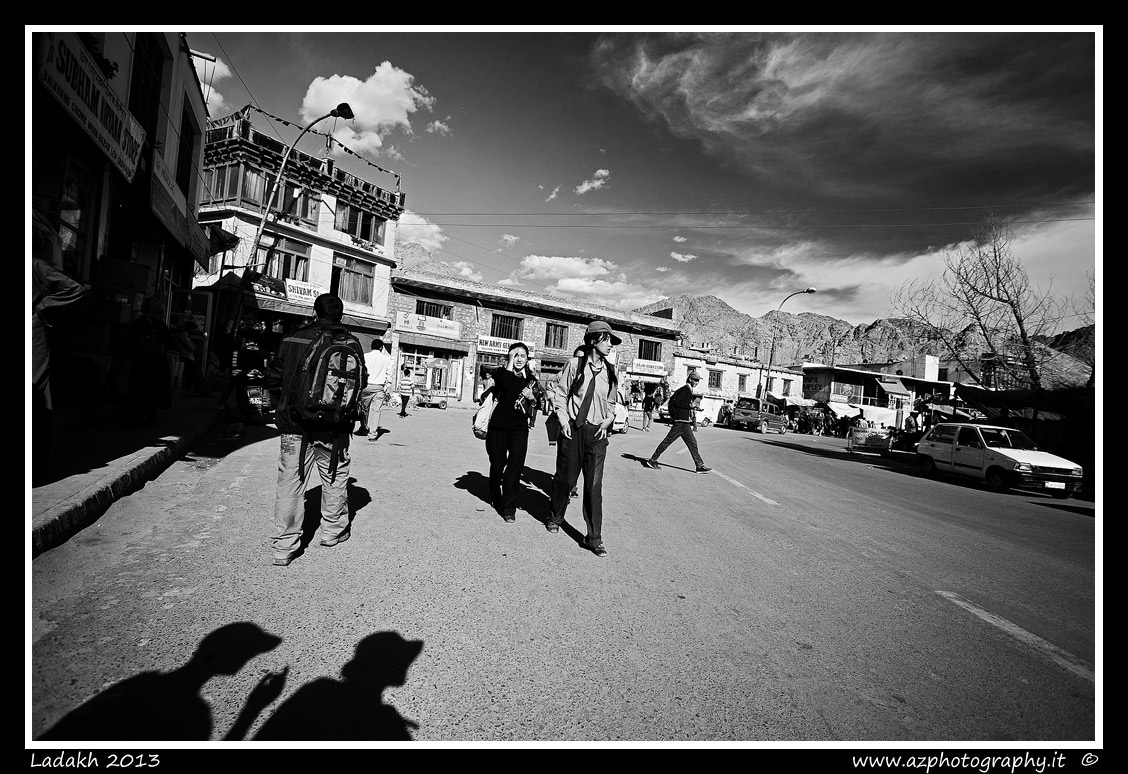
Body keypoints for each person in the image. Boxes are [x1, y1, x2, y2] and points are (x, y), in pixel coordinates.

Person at [265, 294, 367, 567]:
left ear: (314, 311)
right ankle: (332, 532)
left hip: (295, 424)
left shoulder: (292, 338)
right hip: (335, 427)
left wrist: (281, 406)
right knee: (334, 477)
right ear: (341, 316)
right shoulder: (351, 343)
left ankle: (283, 548)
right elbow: (361, 383)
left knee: (290, 482)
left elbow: (273, 378)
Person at [545, 321, 621, 556]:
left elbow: (610, 401)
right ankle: (556, 516)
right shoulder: (575, 365)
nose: (610, 345)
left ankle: (594, 537)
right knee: (566, 479)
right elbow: (560, 394)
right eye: (607, 340)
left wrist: (609, 419)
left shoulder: (610, 371)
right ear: (593, 340)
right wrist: (564, 420)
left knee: (594, 486)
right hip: (574, 430)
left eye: (611, 341)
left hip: (597, 434)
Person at [32, 216, 88, 485]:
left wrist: (42, 307)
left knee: (38, 393)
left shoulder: (37, 266)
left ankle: (39, 463)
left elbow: (74, 289)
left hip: (33, 331)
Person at [483, 342, 542, 522]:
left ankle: (509, 507)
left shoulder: (531, 380)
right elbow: (506, 382)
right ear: (509, 357)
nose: (518, 359)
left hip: (519, 429)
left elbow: (537, 404)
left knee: (515, 467)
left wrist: (532, 398)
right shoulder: (501, 373)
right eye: (515, 355)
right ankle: (495, 493)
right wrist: (509, 363)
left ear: (527, 359)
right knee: (498, 464)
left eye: (522, 355)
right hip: (498, 427)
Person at [642, 372, 712, 474]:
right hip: (680, 422)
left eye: (698, 380)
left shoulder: (687, 390)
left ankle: (699, 465)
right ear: (690, 380)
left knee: (692, 443)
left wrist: (691, 406)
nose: (697, 382)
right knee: (667, 441)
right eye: (695, 380)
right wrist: (690, 405)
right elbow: (677, 403)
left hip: (685, 423)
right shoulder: (685, 390)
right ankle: (652, 460)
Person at [124, 298, 175, 427]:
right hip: (157, 364)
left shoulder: (138, 322)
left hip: (140, 363)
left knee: (138, 391)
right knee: (153, 394)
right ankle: (150, 419)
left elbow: (130, 342)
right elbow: (168, 343)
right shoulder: (161, 325)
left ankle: (134, 418)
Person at [358, 339, 392, 440]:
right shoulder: (386, 359)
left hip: (365, 386)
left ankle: (364, 427)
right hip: (379, 387)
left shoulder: (365, 356)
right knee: (376, 411)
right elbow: (389, 375)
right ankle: (372, 434)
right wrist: (386, 387)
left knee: (364, 409)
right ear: (381, 347)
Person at [170, 319, 211, 397]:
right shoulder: (184, 336)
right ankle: (201, 391)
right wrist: (194, 346)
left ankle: (198, 390)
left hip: (187, 357)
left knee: (194, 375)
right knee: (196, 375)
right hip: (187, 357)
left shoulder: (184, 335)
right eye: (193, 329)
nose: (194, 331)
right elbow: (191, 347)